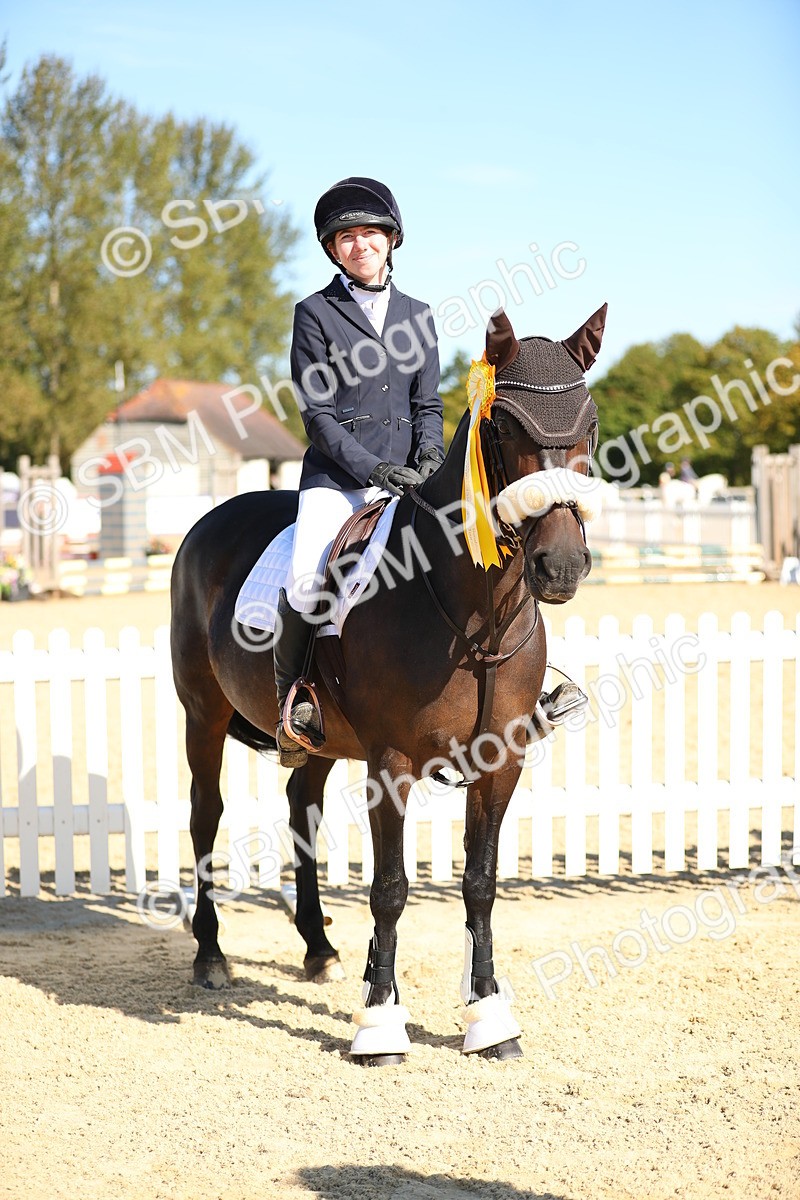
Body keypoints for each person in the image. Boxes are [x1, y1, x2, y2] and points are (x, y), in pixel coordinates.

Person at [274, 177, 445, 766]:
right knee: (304, 579)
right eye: (346, 237)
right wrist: (375, 469)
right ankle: (292, 705)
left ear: (391, 240)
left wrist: (430, 461)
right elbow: (317, 416)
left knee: (478, 550)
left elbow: (429, 405)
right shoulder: (315, 314)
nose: (359, 244)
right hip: (338, 480)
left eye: (370, 233)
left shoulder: (418, 315)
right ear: (332, 249)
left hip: (411, 478)